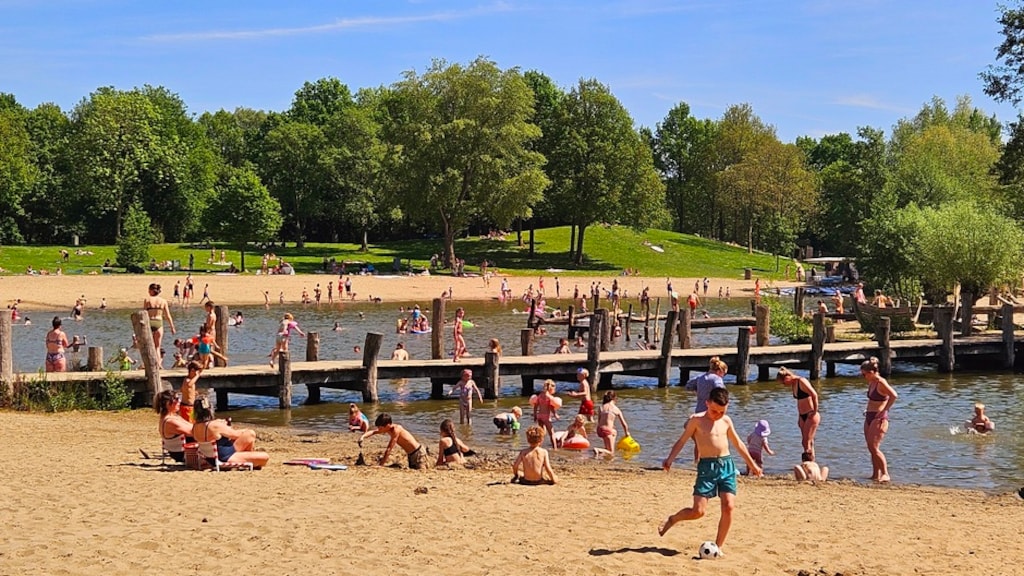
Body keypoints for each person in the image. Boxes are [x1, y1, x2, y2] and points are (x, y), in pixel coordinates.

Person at [659, 387, 762, 553]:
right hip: (707, 467)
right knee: (698, 511)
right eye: (714, 411)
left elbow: (739, 444)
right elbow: (682, 441)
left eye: (722, 411)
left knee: (728, 506)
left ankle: (718, 547)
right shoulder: (696, 421)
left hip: (727, 465)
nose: (718, 415)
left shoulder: (726, 421)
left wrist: (752, 464)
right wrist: (670, 459)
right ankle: (673, 519)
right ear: (707, 403)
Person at [192, 396, 269, 468]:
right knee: (265, 457)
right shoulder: (215, 425)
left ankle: (248, 457)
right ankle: (249, 458)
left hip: (209, 458)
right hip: (225, 458)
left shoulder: (194, 427)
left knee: (250, 434)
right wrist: (243, 430)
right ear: (210, 409)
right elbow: (236, 435)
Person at [861, 356, 897, 483]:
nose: (863, 377)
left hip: (879, 418)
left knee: (874, 447)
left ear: (871, 372)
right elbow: (872, 400)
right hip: (869, 416)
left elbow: (894, 395)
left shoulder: (881, 382)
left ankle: (886, 474)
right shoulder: (872, 382)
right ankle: (875, 474)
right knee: (870, 447)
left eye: (864, 374)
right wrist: (867, 410)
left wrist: (884, 410)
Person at [776, 366, 820, 460]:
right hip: (802, 415)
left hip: (810, 414)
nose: (784, 385)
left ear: (787, 377)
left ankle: (809, 463)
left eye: (784, 383)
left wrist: (815, 411)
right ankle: (810, 462)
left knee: (806, 441)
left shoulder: (802, 381)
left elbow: (814, 395)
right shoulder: (794, 384)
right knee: (807, 442)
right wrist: (800, 416)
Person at [358, 413, 427, 469]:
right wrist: (362, 437)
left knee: (423, 471)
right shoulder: (387, 429)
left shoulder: (396, 430)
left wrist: (380, 465)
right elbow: (373, 432)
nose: (379, 429)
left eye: (380, 427)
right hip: (410, 454)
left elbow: (389, 449)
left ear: (387, 425)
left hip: (418, 452)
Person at [154, 390, 193, 463]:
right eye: (177, 399)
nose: (179, 401)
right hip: (182, 453)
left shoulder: (172, 417)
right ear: (168, 403)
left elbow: (191, 426)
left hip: (177, 451)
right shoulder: (170, 421)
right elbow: (193, 432)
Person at [143, 283, 176, 360]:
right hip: (158, 323)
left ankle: (149, 364)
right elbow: (168, 315)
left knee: (149, 346)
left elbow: (144, 314)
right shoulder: (163, 301)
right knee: (157, 347)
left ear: (151, 291)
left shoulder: (147, 300)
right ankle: (157, 365)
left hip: (149, 322)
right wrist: (172, 327)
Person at [533, 379, 560, 448]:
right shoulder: (549, 397)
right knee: (552, 434)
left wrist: (535, 415)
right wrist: (555, 414)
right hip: (546, 417)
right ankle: (555, 449)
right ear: (551, 388)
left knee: (542, 433)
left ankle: (538, 446)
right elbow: (551, 407)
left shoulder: (540, 395)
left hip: (540, 416)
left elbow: (536, 406)